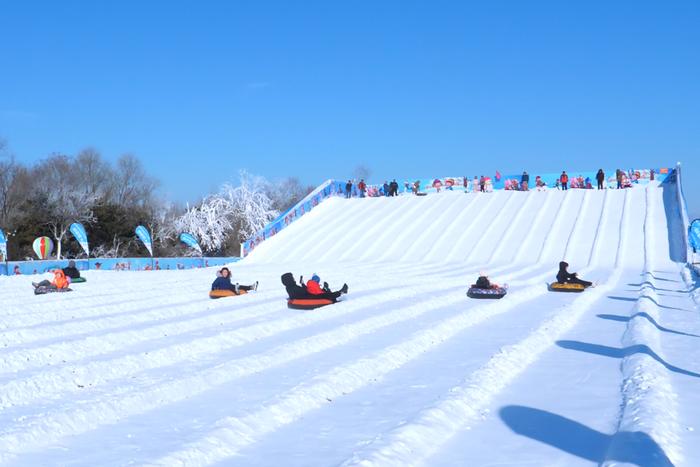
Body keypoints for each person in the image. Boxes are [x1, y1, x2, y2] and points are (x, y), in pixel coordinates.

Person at [281, 272, 348, 301]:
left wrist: (302, 284)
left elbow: (303, 291)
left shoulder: (290, 287)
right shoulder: (293, 288)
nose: (294, 279)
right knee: (326, 295)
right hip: (311, 297)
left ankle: (326, 289)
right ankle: (341, 292)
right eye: (292, 278)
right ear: (289, 280)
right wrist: (303, 285)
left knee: (324, 293)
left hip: (308, 295)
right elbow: (305, 291)